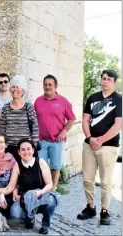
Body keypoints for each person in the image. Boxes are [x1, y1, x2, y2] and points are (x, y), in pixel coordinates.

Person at [77, 69, 122, 225]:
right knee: (87, 179)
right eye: (103, 78)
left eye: (109, 79)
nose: (105, 81)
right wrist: (90, 138)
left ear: (114, 82)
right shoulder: (93, 98)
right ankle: (90, 207)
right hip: (89, 145)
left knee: (105, 181)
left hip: (108, 146)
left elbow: (118, 124)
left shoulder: (118, 99)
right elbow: (85, 120)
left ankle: (105, 211)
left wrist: (101, 140)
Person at [34, 74, 76, 190]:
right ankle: (43, 187)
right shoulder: (38, 101)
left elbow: (72, 119)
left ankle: (53, 188)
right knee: (40, 165)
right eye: (45, 85)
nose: (47, 87)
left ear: (56, 86)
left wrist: (64, 132)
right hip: (41, 140)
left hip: (56, 140)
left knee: (55, 166)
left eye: (50, 85)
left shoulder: (63, 101)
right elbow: (34, 119)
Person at [10, 138, 58, 235]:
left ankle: (45, 224)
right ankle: (30, 219)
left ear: (33, 150)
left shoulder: (40, 162)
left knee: (51, 202)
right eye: (22, 150)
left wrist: (41, 192)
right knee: (14, 212)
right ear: (19, 152)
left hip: (41, 195)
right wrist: (15, 191)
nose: (26, 152)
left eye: (28, 149)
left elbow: (50, 184)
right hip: (26, 198)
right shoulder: (17, 166)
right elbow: (14, 183)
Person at [0, 75, 39, 162]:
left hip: (25, 148)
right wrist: (3, 146)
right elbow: (2, 129)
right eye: (13, 87)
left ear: (23, 90)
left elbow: (35, 128)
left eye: (17, 87)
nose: (15, 89)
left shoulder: (28, 107)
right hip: (10, 148)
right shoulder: (5, 108)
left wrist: (33, 147)